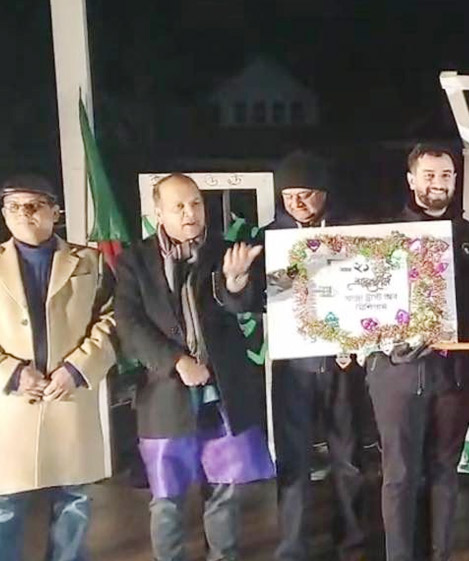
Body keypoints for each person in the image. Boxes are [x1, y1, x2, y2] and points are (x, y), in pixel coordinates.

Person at [115, 173, 274, 561]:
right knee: (167, 498)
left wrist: (235, 284)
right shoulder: (135, 260)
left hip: (222, 394)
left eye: (196, 203)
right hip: (165, 394)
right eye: (179, 206)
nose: (190, 213)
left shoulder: (224, 250)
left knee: (224, 491)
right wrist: (176, 361)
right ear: (159, 213)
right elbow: (129, 324)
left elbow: (245, 305)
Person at [365, 143, 469, 561]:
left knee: (444, 470)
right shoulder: (383, 234)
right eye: (429, 175)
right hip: (396, 373)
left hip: (453, 374)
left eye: (446, 175)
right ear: (411, 179)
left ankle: (439, 553)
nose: (438, 183)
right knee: (399, 474)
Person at [0, 174, 116, 561]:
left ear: (55, 212)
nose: (23, 214)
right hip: (11, 406)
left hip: (69, 399)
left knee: (74, 502)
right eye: (13, 207)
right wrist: (12, 372)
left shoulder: (90, 262)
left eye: (33, 205)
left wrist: (78, 368)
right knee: (6, 507)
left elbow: (114, 319)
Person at [268, 151, 369, 561]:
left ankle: (352, 544)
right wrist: (235, 283)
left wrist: (358, 341)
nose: (296, 203)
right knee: (293, 461)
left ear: (324, 193)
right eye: (288, 196)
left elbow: (370, 295)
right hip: (293, 368)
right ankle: (292, 548)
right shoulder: (269, 238)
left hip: (344, 366)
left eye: (305, 194)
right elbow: (248, 300)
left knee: (350, 460)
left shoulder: (355, 232)